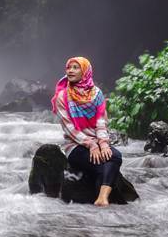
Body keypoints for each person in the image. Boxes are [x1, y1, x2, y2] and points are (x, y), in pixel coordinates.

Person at [51, 56, 122, 207]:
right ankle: (100, 206)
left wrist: (103, 144)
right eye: (69, 67)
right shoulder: (62, 96)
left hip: (96, 141)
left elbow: (100, 122)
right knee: (102, 166)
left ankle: (102, 198)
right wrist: (91, 144)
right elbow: (69, 128)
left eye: (75, 68)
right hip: (75, 146)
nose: (70, 70)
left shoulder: (96, 93)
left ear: (85, 71)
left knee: (115, 155)